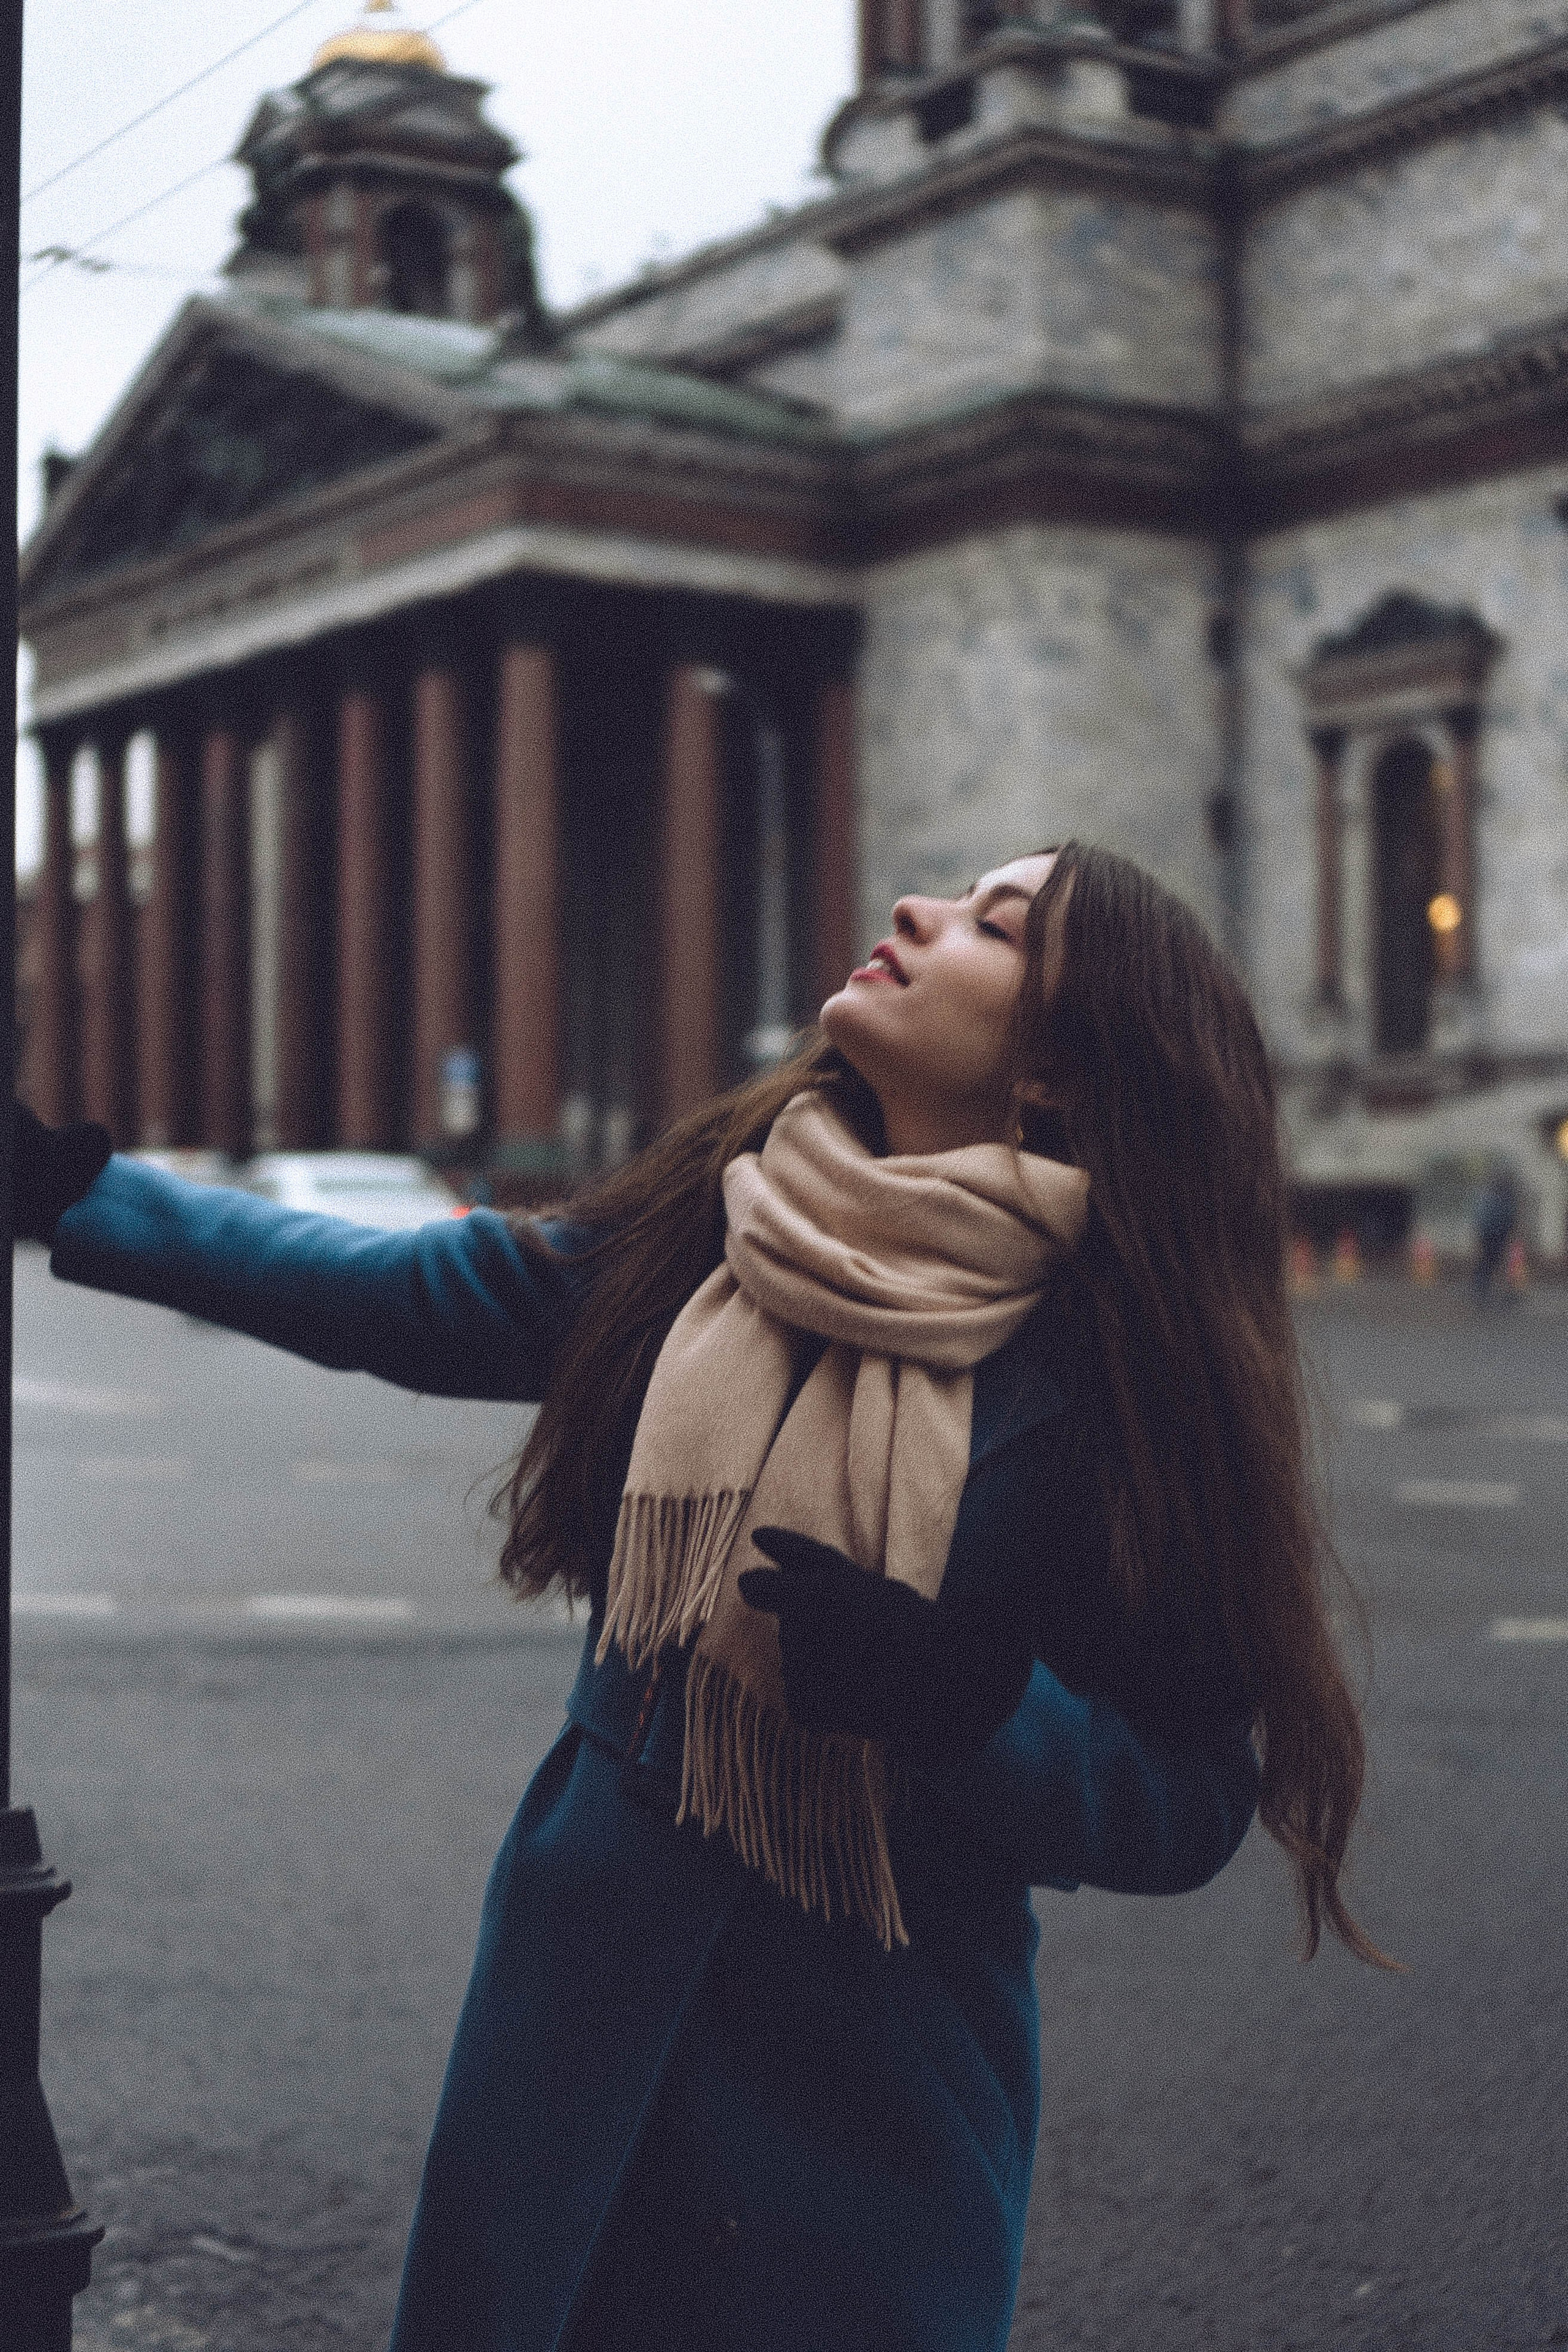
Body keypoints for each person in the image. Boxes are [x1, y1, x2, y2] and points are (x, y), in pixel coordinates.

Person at [14, 841, 1388, 2352]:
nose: (918, 913)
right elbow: (407, 1295)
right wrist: (71, 1188)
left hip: (874, 2069)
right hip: (576, 2012)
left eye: (997, 927)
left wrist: (977, 1706)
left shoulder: (1118, 1378)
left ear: (1061, 1067)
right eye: (949, 893)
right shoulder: (714, 1228)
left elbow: (1186, 1800)